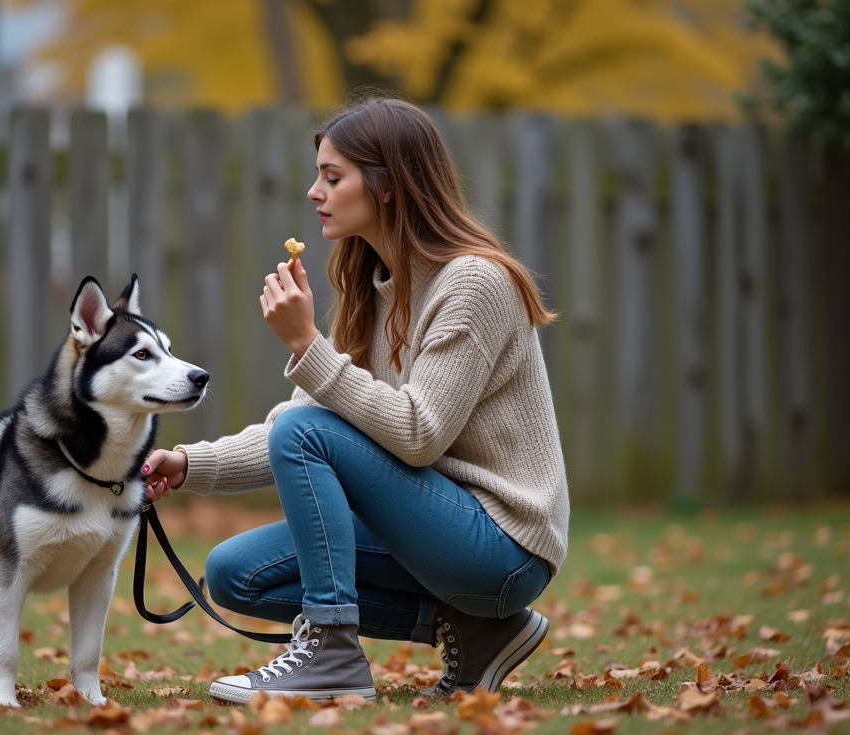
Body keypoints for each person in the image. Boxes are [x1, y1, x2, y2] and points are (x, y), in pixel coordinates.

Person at [141, 96, 569, 704]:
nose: (314, 191)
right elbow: (294, 428)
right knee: (233, 574)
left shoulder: (473, 282)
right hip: (430, 530)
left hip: (500, 545)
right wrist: (190, 464)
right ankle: (475, 629)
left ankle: (332, 654)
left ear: (388, 185)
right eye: (319, 174)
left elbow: (421, 434)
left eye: (332, 177)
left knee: (308, 432)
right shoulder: (369, 288)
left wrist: (306, 344)